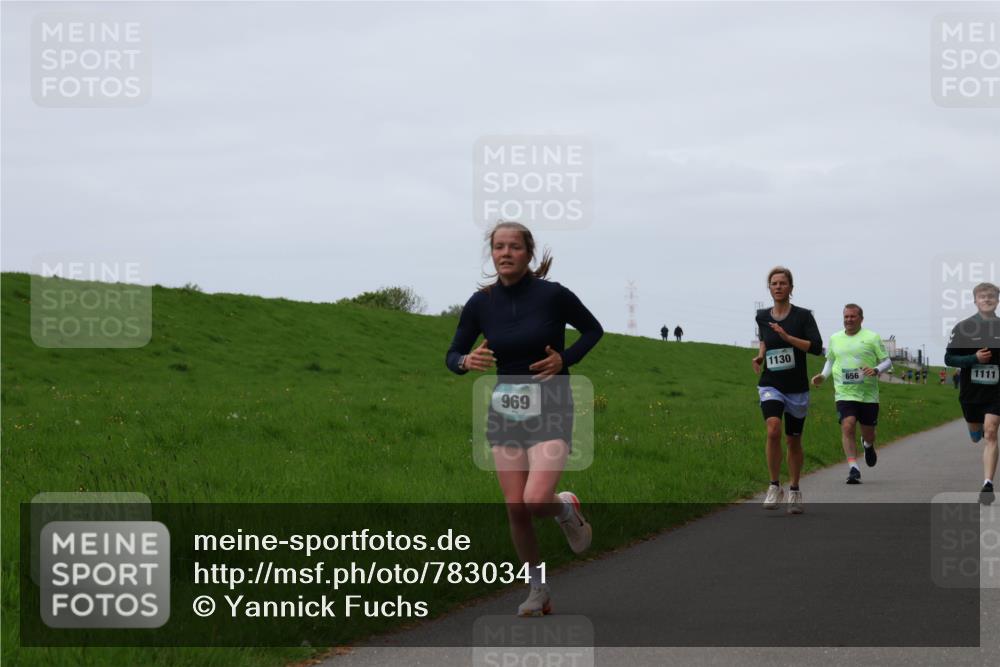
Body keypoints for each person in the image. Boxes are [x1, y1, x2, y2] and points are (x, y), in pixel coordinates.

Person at [446, 220, 603, 615]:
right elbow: (452, 355)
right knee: (515, 505)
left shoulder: (553, 295)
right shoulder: (481, 303)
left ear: (528, 253)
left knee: (536, 499)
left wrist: (564, 358)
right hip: (505, 409)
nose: (505, 253)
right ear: (492, 253)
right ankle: (538, 589)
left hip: (552, 402)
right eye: (499, 247)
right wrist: (466, 360)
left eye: (514, 247)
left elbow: (592, 330)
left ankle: (565, 508)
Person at [752, 266, 823, 513]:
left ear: (791, 288)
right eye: (774, 283)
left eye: (783, 283)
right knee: (773, 429)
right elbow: (764, 339)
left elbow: (815, 347)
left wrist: (788, 337)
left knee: (793, 440)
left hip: (796, 388)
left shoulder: (803, 316)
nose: (778, 286)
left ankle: (794, 489)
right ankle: (774, 485)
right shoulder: (762, 316)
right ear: (769, 288)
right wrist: (761, 355)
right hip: (771, 383)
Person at [811, 304, 892, 484]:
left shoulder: (872, 337)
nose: (849, 320)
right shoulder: (835, 338)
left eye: (853, 316)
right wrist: (823, 376)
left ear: (861, 319)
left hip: (868, 395)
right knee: (847, 425)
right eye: (846, 316)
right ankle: (853, 468)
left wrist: (876, 369)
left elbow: (887, 361)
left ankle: (868, 445)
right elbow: (830, 361)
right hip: (844, 392)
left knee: (868, 433)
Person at [944, 282, 1000, 504]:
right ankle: (973, 429)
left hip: (997, 392)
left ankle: (988, 484)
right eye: (982, 296)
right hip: (971, 393)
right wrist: (973, 359)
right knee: (977, 433)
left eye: (992, 296)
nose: (987, 299)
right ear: (975, 300)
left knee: (991, 432)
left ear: (997, 300)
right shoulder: (963, 328)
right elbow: (949, 359)